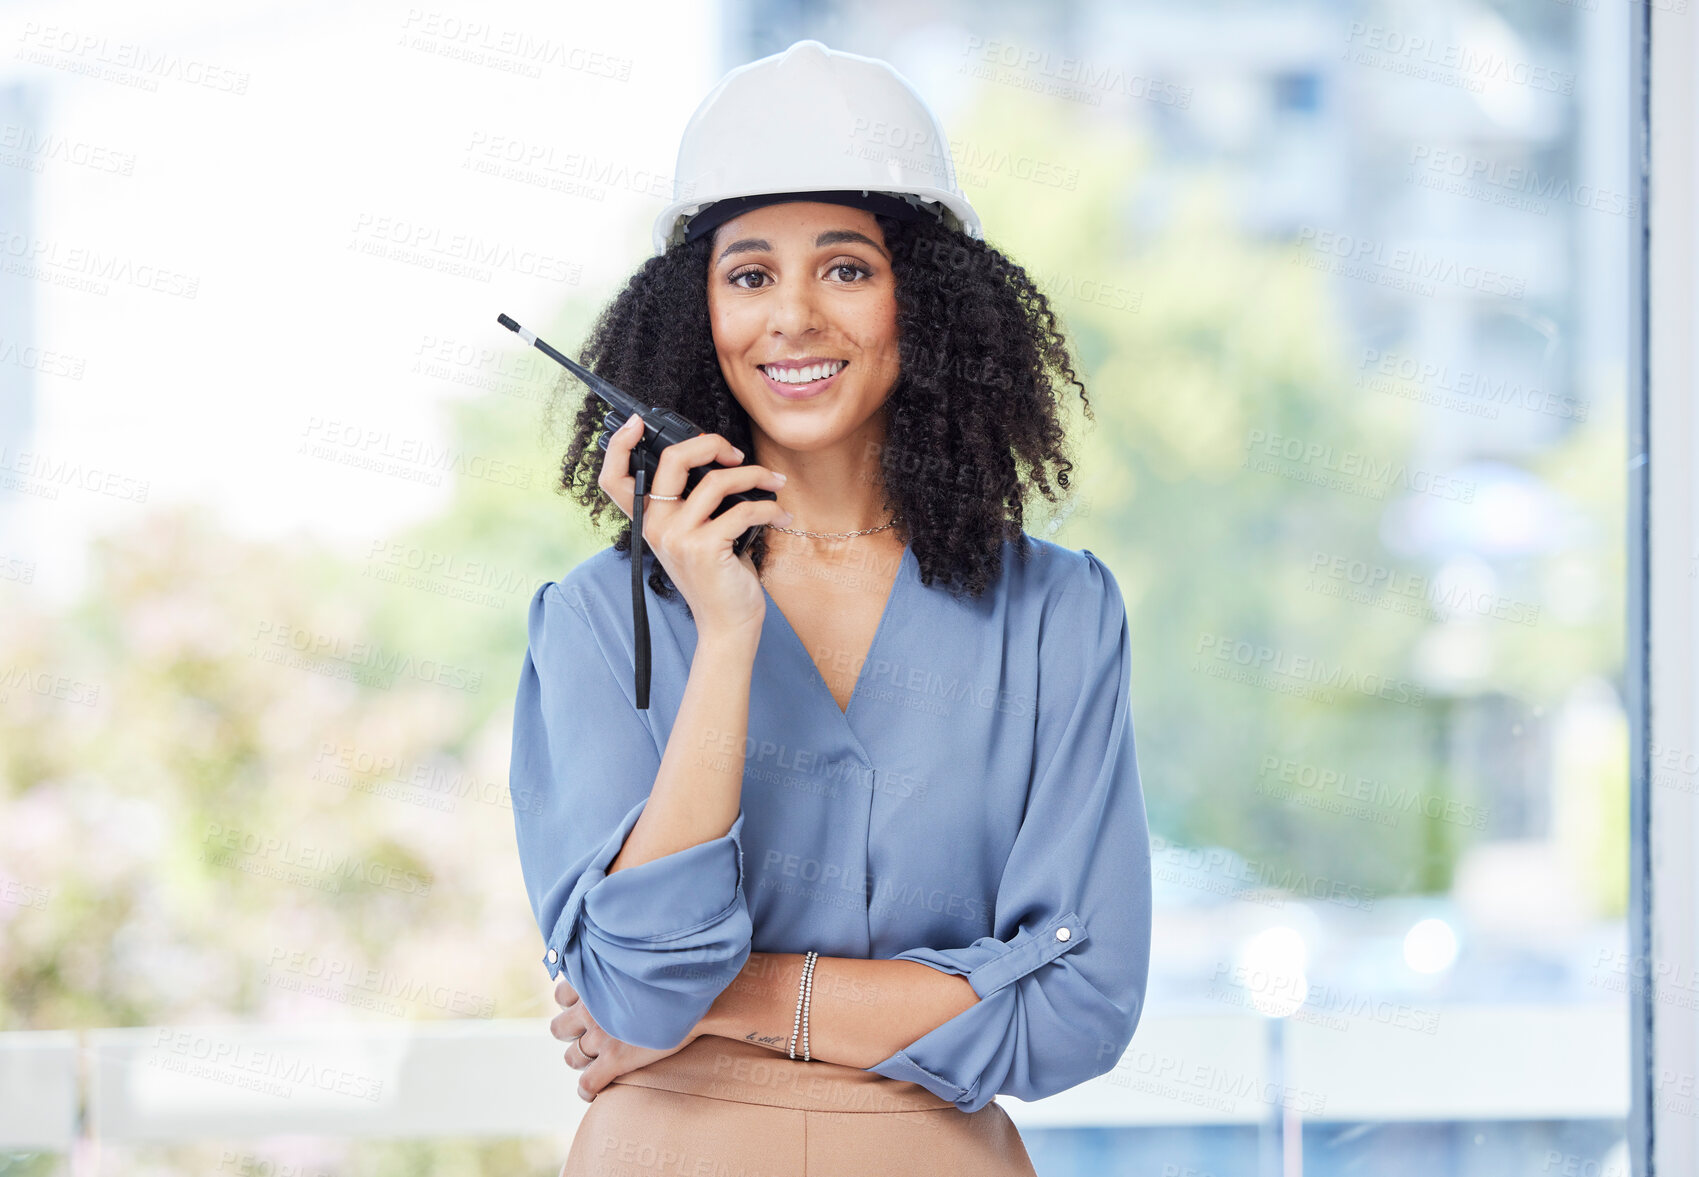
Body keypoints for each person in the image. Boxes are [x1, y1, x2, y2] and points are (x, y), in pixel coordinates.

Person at [507, 39, 1153, 1177]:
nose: (794, 317)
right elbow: (642, 976)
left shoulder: (1058, 614)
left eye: (846, 269)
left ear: (926, 299)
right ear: (697, 312)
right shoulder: (599, 623)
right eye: (749, 275)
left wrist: (728, 999)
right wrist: (725, 632)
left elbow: (1075, 1008)